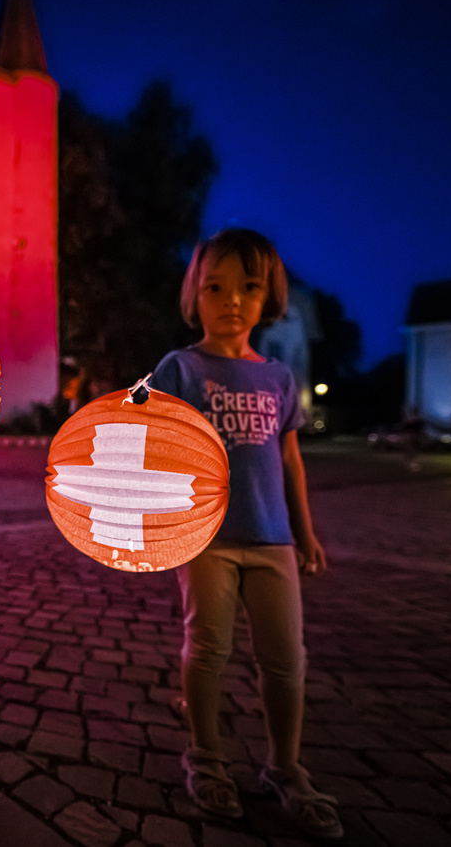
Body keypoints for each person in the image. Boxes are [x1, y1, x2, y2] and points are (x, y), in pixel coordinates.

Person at [151, 229, 343, 839]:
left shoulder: (280, 379)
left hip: (272, 540)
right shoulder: (180, 367)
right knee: (206, 647)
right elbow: (152, 435)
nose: (231, 299)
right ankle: (205, 757)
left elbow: (289, 461)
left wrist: (305, 533)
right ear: (195, 294)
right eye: (215, 287)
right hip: (205, 537)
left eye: (248, 287)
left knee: (286, 661)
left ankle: (284, 767)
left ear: (268, 297)